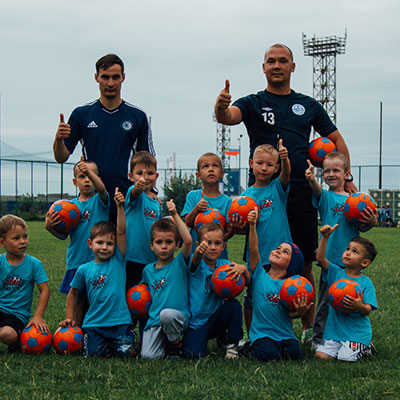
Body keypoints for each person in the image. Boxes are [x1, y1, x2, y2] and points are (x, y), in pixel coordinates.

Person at [214, 43, 357, 343]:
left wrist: (348, 176)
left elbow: (337, 139)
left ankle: (308, 331)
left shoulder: (308, 105)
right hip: (262, 193)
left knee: (303, 261)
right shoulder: (253, 102)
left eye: (283, 61)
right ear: (263, 67)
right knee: (259, 262)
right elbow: (228, 116)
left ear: (293, 67)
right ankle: (255, 331)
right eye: (270, 61)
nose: (276, 66)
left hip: (300, 191)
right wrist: (220, 106)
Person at [53, 53, 155, 221]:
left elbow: (147, 162)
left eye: (115, 77)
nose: (110, 83)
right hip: (94, 199)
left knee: (127, 247)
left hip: (128, 197)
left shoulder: (137, 116)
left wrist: (150, 191)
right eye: (105, 77)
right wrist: (58, 139)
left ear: (123, 78)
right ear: (96, 78)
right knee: (96, 246)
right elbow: (61, 156)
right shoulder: (82, 115)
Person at [305, 152, 377, 346]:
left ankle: (348, 335)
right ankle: (318, 338)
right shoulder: (326, 197)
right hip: (330, 260)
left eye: (336, 170)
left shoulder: (357, 200)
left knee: (350, 298)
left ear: (347, 174)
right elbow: (318, 190)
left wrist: (372, 221)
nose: (331, 174)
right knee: (325, 302)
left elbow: (363, 227)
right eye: (326, 170)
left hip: (351, 261)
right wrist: (312, 179)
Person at [59, 189, 135, 357]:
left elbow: (121, 231)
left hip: (120, 323)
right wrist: (69, 318)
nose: (104, 247)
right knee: (93, 354)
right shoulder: (84, 269)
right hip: (94, 324)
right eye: (99, 242)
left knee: (126, 354)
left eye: (109, 243)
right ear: (90, 244)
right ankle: (103, 344)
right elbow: (73, 294)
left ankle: (123, 341)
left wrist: (120, 207)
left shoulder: (118, 261)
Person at [45, 158, 109, 324]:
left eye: (91, 175)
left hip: (98, 261)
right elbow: (63, 235)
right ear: (75, 181)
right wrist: (50, 227)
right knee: (78, 300)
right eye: (82, 176)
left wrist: (87, 170)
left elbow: (101, 189)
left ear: (98, 179)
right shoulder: (68, 206)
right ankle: (75, 331)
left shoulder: (100, 201)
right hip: (77, 261)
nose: (87, 179)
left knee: (96, 299)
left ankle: (94, 332)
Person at [245, 208, 312, 362]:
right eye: (278, 248)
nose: (278, 251)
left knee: (294, 354)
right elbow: (254, 249)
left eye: (285, 252)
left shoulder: (290, 287)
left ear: (292, 264)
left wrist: (300, 313)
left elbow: (288, 314)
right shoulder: (260, 274)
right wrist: (253, 225)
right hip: (263, 334)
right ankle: (248, 349)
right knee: (269, 355)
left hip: (284, 334)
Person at [240, 141, 292, 333]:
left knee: (282, 294)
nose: (264, 168)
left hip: (281, 257)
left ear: (276, 168)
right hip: (258, 257)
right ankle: (251, 333)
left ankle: (280, 330)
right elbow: (239, 227)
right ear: (251, 163)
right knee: (252, 297)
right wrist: (239, 224)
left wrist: (285, 159)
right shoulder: (245, 197)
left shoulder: (277, 188)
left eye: (270, 165)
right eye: (260, 163)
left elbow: (287, 175)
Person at [183, 222, 250, 359]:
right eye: (207, 243)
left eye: (217, 243)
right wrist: (198, 253)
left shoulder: (225, 265)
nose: (212, 247)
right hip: (197, 322)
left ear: (223, 246)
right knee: (192, 355)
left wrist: (244, 270)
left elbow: (248, 283)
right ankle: (205, 339)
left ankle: (231, 344)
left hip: (217, 317)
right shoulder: (195, 262)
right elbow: (195, 259)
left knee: (234, 306)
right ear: (199, 245)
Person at [315, 224, 377, 362]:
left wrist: (358, 306)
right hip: (334, 332)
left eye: (355, 251)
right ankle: (341, 345)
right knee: (321, 356)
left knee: (345, 358)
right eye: (347, 249)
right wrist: (325, 238)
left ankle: (366, 347)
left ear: (365, 262)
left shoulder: (366, 283)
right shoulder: (335, 272)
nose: (348, 252)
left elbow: (367, 310)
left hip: (355, 333)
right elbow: (320, 259)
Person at [140, 200, 192, 359]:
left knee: (167, 315)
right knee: (148, 356)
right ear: (151, 245)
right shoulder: (148, 270)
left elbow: (189, 241)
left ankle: (175, 345)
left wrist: (175, 214)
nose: (164, 246)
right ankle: (165, 343)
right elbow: (142, 294)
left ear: (177, 245)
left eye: (169, 242)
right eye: (159, 242)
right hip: (155, 320)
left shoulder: (179, 263)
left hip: (176, 317)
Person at [0, 215, 50, 352]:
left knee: (7, 334)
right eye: (16, 238)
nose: (23, 241)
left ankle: (15, 340)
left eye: (25, 236)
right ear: (2, 242)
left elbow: (45, 290)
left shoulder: (34, 264)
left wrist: (38, 316)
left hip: (17, 315)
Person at [181, 152, 233, 259]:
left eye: (215, 166)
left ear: (222, 173)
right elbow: (188, 222)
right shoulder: (193, 196)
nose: (211, 169)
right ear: (198, 175)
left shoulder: (227, 201)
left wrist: (218, 240)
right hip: (196, 255)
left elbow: (229, 231)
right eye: (205, 166)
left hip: (218, 257)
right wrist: (197, 209)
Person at [125, 151, 163, 292]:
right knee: (131, 293)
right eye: (139, 173)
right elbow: (135, 193)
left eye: (150, 173)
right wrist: (137, 187)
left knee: (148, 294)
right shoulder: (133, 193)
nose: (144, 177)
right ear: (130, 176)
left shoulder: (156, 204)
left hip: (151, 258)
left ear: (156, 176)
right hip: (132, 258)